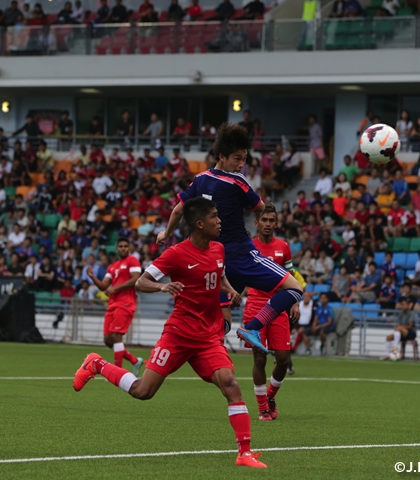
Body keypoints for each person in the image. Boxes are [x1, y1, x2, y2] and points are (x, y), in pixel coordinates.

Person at [73, 197, 267, 469]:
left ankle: (244, 453)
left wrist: (230, 291)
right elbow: (142, 281)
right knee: (143, 391)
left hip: (208, 337)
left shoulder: (219, 249)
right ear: (199, 224)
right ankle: (97, 363)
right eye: (214, 216)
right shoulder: (176, 253)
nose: (220, 220)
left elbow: (219, 276)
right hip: (178, 333)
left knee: (231, 384)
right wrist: (162, 287)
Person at [157, 123, 303, 353]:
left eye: (244, 159)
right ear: (222, 156)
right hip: (240, 255)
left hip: (217, 261)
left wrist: (166, 233)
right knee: (294, 289)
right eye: (237, 158)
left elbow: (177, 210)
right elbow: (261, 207)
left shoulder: (200, 179)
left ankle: (200, 348)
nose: (241, 164)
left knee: (218, 316)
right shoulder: (238, 182)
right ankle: (252, 327)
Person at [241, 204, 297, 421]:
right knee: (259, 358)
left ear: (276, 223)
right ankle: (262, 406)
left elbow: (290, 276)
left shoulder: (283, 247)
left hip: (279, 305)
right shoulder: (248, 246)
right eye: (264, 220)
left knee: (283, 359)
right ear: (256, 223)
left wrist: (294, 302)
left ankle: (271, 396)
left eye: (271, 220)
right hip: (255, 304)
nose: (267, 224)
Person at [86, 237, 143, 375]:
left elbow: (136, 279)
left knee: (116, 336)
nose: (123, 248)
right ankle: (134, 361)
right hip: (113, 303)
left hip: (126, 302)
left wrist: (115, 288)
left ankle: (118, 373)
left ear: (128, 248)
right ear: (117, 249)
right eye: (121, 246)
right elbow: (104, 286)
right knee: (108, 339)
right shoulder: (113, 266)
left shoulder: (132, 261)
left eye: (125, 246)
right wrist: (93, 277)